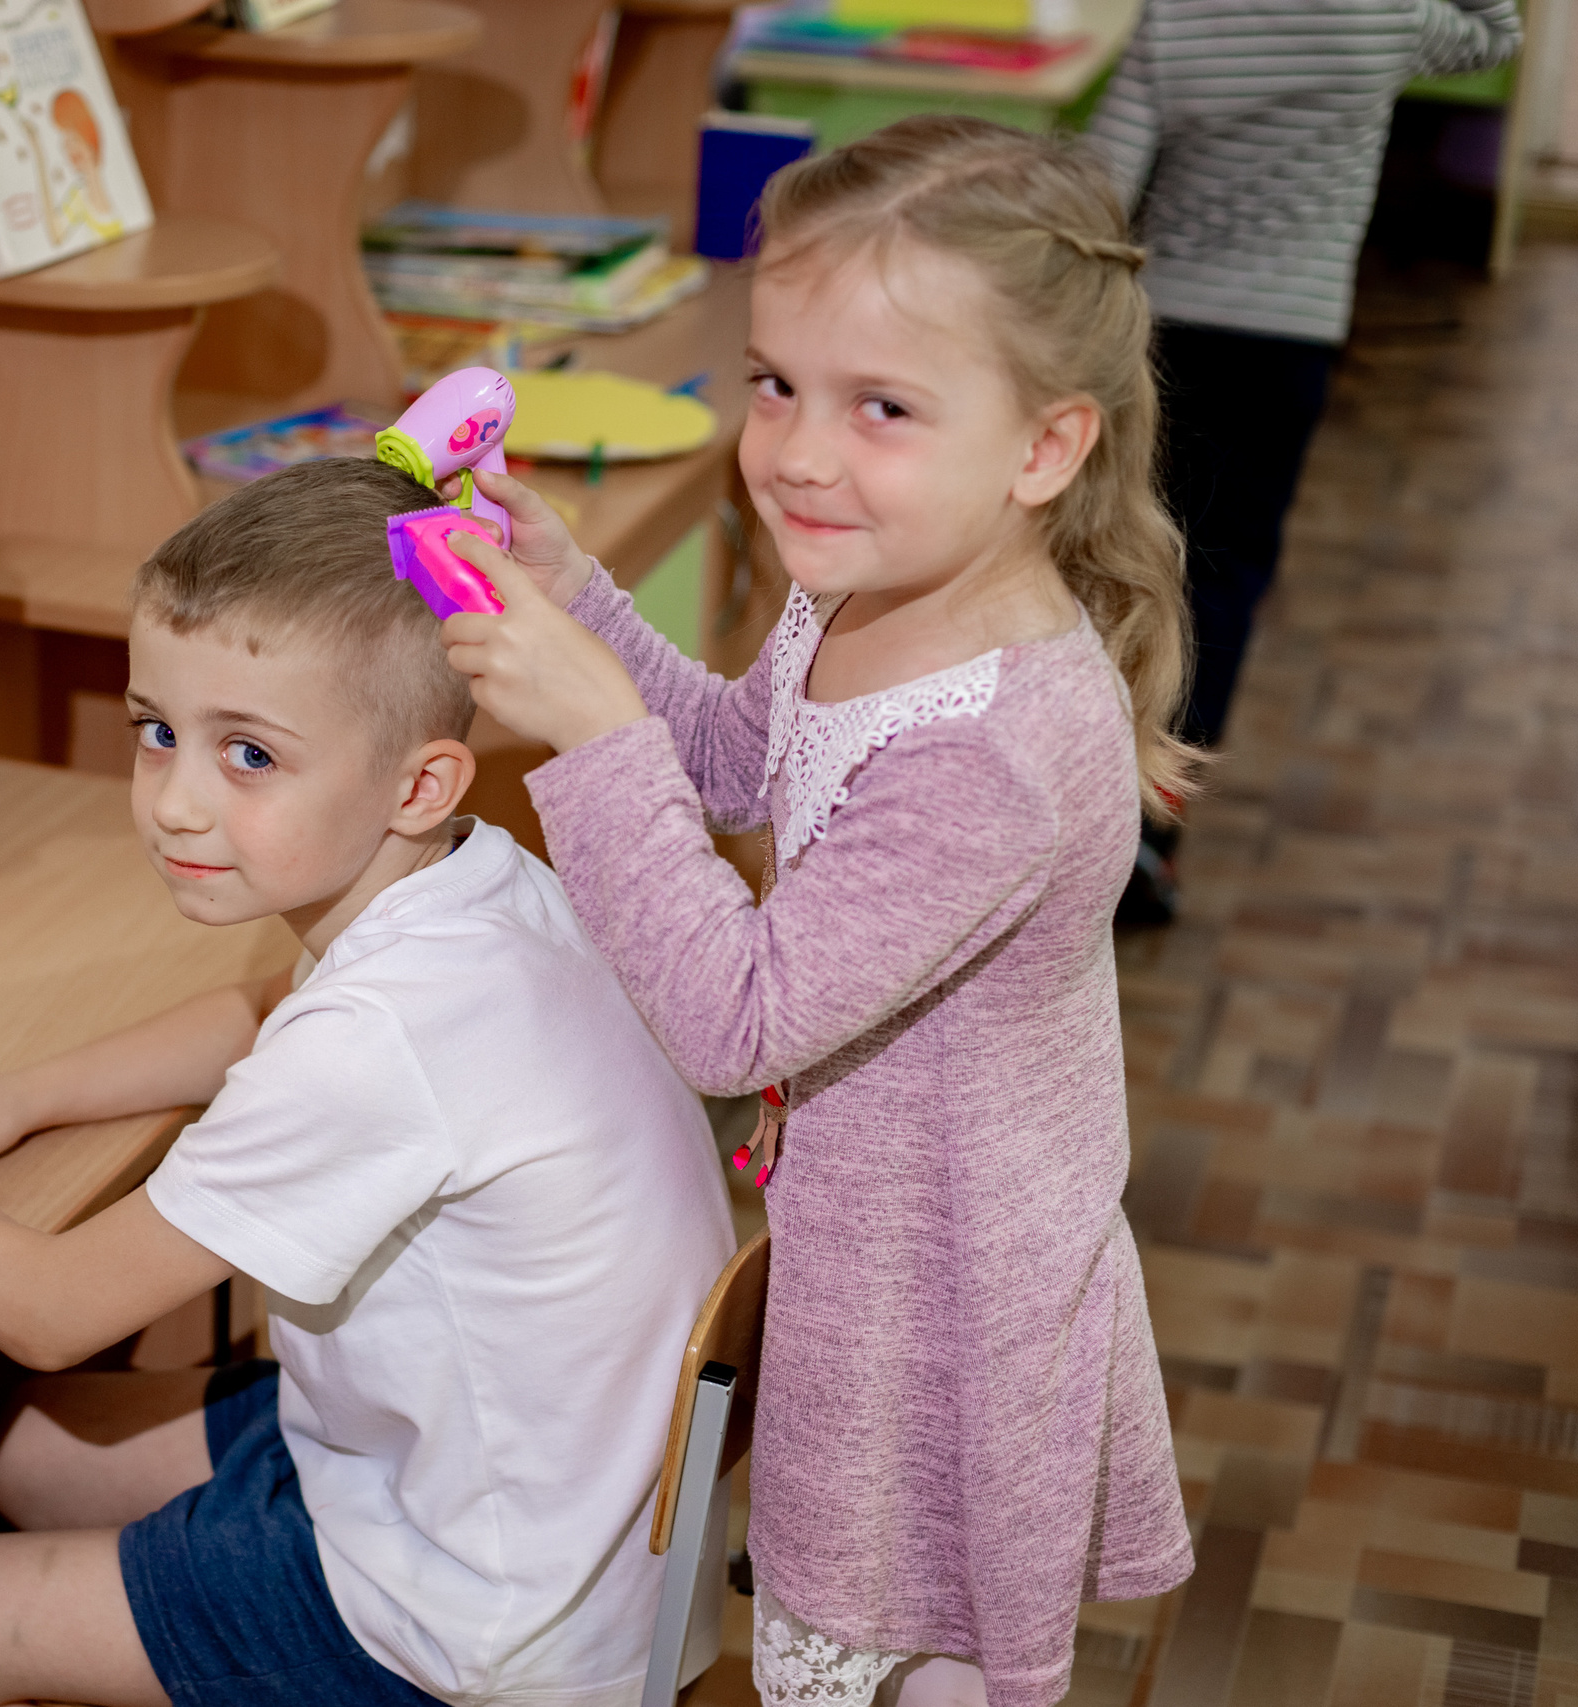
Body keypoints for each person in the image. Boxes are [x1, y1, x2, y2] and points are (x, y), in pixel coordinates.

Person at [440, 117, 1198, 1706]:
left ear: (1045, 447)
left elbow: (739, 1011)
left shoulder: (991, 746)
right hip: (871, 1254)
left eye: (884, 407)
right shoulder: (864, 588)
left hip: (944, 1318)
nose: (797, 450)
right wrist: (581, 594)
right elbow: (736, 761)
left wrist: (585, 735)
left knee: (888, 1660)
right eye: (775, 381)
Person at [0, 456, 736, 1707]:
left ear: (417, 784)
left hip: (464, 1631)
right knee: (2, 1445)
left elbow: (51, 1305)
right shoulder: (480, 877)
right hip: (506, 1507)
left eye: (247, 755)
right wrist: (26, 1097)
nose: (175, 803)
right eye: (157, 732)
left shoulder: (380, 1043)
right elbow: (261, 1017)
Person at [1089, 0, 1521, 918]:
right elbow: (1497, 31)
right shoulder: (1389, 18)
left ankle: (1076, 808)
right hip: (1287, 342)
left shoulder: (1178, 19)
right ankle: (1149, 834)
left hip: (1157, 341)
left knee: (1119, 564)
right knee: (1224, 580)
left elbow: (1097, 196)